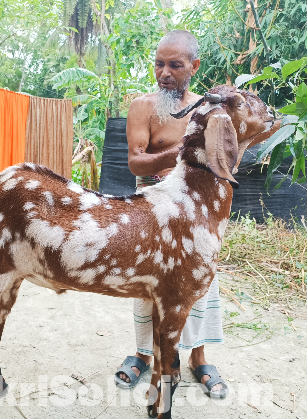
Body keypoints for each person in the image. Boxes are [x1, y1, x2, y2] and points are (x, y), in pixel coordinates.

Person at [114, 30, 228, 399]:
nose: (165, 72)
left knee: (199, 285)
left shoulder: (209, 109)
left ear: (194, 67)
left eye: (175, 65)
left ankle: (199, 358)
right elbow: (136, 163)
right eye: (159, 64)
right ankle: (142, 354)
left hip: (196, 213)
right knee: (147, 283)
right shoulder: (142, 107)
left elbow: (220, 161)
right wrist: (180, 154)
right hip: (150, 209)